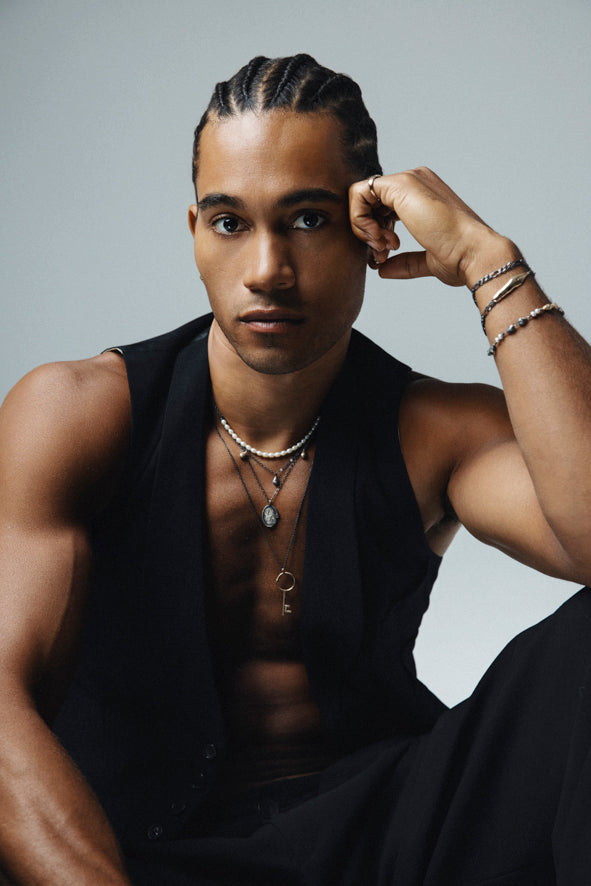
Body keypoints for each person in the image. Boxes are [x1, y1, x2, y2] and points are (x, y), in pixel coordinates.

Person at [0, 53, 590, 886]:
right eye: (229, 222)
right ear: (195, 233)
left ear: (370, 230)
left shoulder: (436, 431)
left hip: (381, 835)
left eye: (308, 219)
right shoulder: (76, 413)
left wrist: (490, 262)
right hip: (133, 849)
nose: (266, 270)